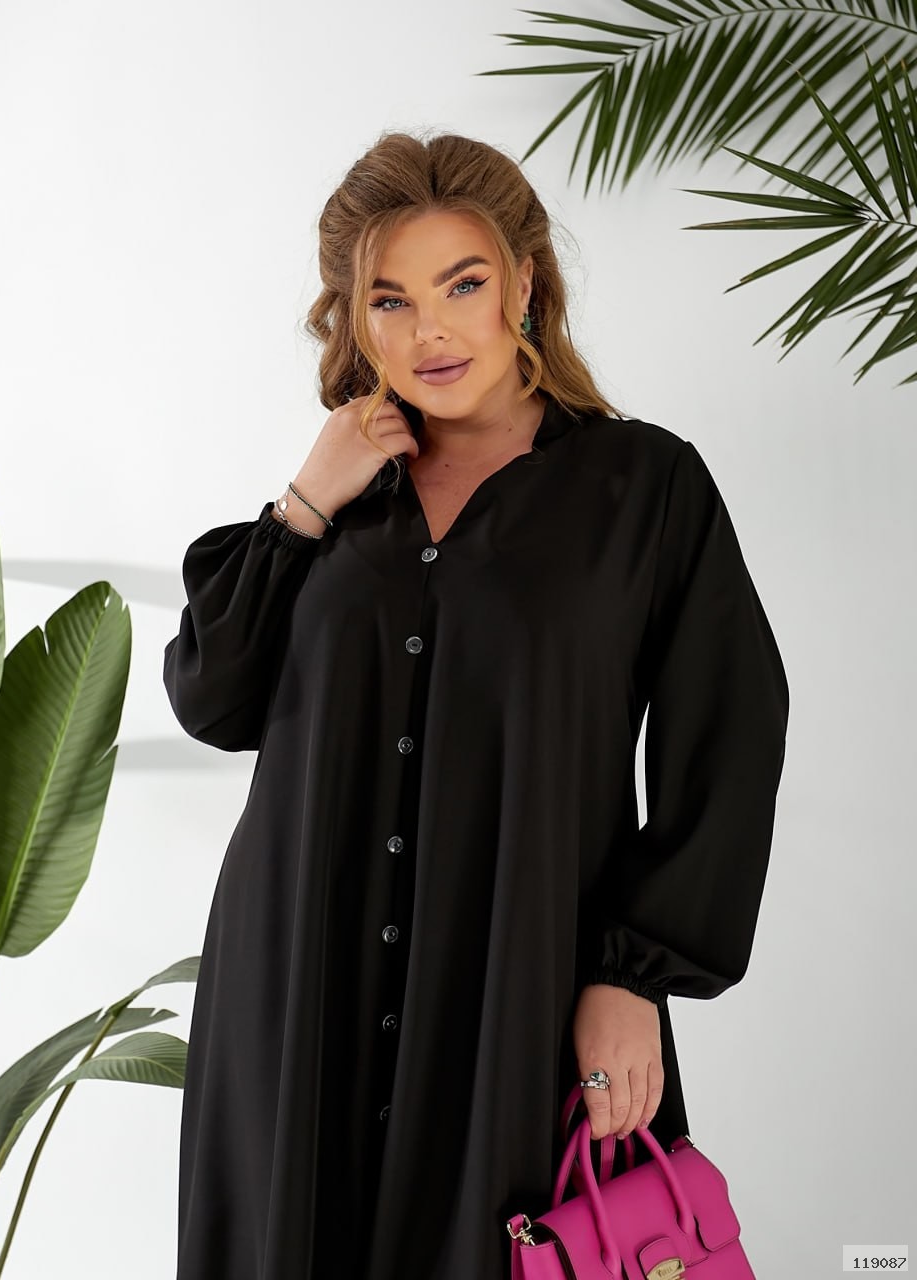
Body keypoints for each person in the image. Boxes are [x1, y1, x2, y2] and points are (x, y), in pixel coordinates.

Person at [162, 128, 789, 1280]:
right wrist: (306, 499)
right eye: (390, 301)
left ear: (524, 283)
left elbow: (730, 738)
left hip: (520, 989)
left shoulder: (644, 491)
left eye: (462, 284)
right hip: (299, 993)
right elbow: (212, 697)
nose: (431, 331)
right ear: (354, 319)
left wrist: (632, 972)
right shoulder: (336, 501)